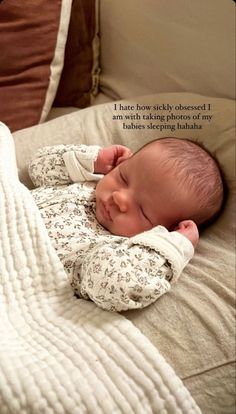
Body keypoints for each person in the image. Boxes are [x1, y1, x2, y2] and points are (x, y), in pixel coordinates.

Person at [28, 137, 225, 312]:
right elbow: (37, 168)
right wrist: (92, 160)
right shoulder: (89, 181)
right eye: (123, 177)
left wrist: (170, 246)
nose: (119, 197)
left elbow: (111, 285)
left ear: (160, 232)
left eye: (142, 210)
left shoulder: (113, 253)